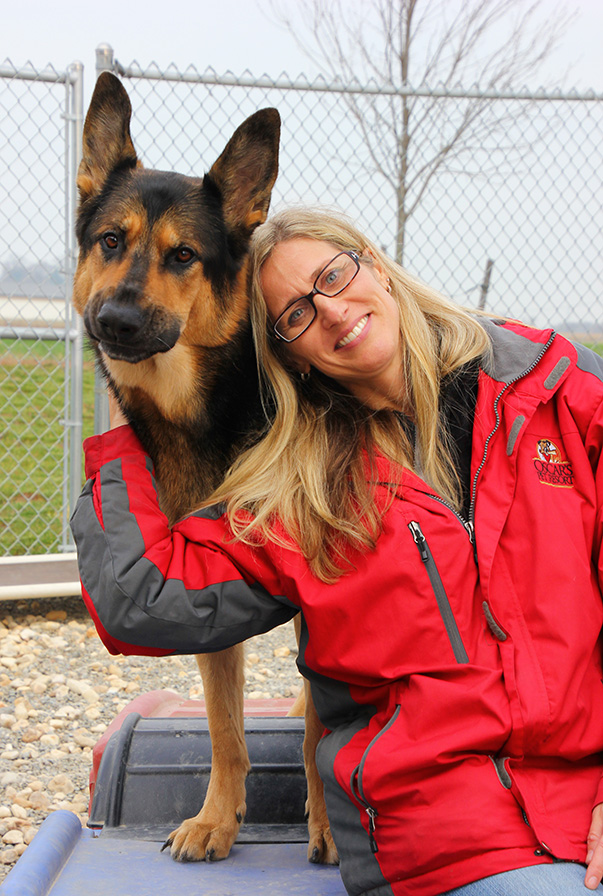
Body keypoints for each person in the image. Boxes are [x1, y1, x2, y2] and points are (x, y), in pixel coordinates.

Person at [71, 206, 603, 896]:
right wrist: (130, 401)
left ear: (373, 266)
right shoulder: (303, 485)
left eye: (332, 275)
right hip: (450, 833)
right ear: (286, 353)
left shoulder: (552, 390)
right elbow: (140, 600)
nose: (328, 311)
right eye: (293, 314)